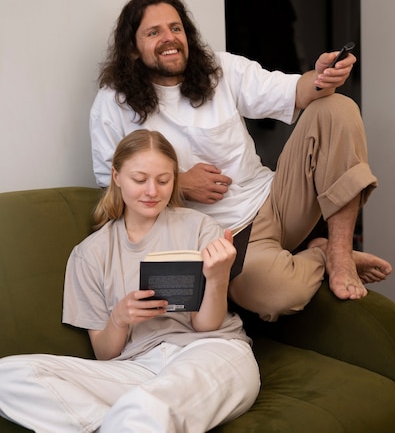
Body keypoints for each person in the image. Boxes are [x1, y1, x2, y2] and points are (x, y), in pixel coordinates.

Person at [89, 0, 393, 322]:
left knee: (336, 107)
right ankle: (319, 255)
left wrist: (323, 76)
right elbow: (112, 190)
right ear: (132, 48)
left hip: (274, 201)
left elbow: (297, 91)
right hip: (221, 239)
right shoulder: (112, 104)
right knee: (279, 296)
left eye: (176, 28)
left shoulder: (220, 69)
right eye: (154, 32)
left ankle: (339, 252)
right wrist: (180, 184)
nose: (169, 38)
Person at [0, 130, 260, 433]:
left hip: (210, 352)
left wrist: (216, 278)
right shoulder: (89, 255)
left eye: (163, 180)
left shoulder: (200, 227)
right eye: (140, 179)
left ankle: (134, 416)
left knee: (146, 405)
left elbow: (207, 325)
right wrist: (120, 318)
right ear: (116, 176)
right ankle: (127, 421)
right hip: (137, 368)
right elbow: (105, 355)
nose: (152, 191)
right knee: (9, 376)